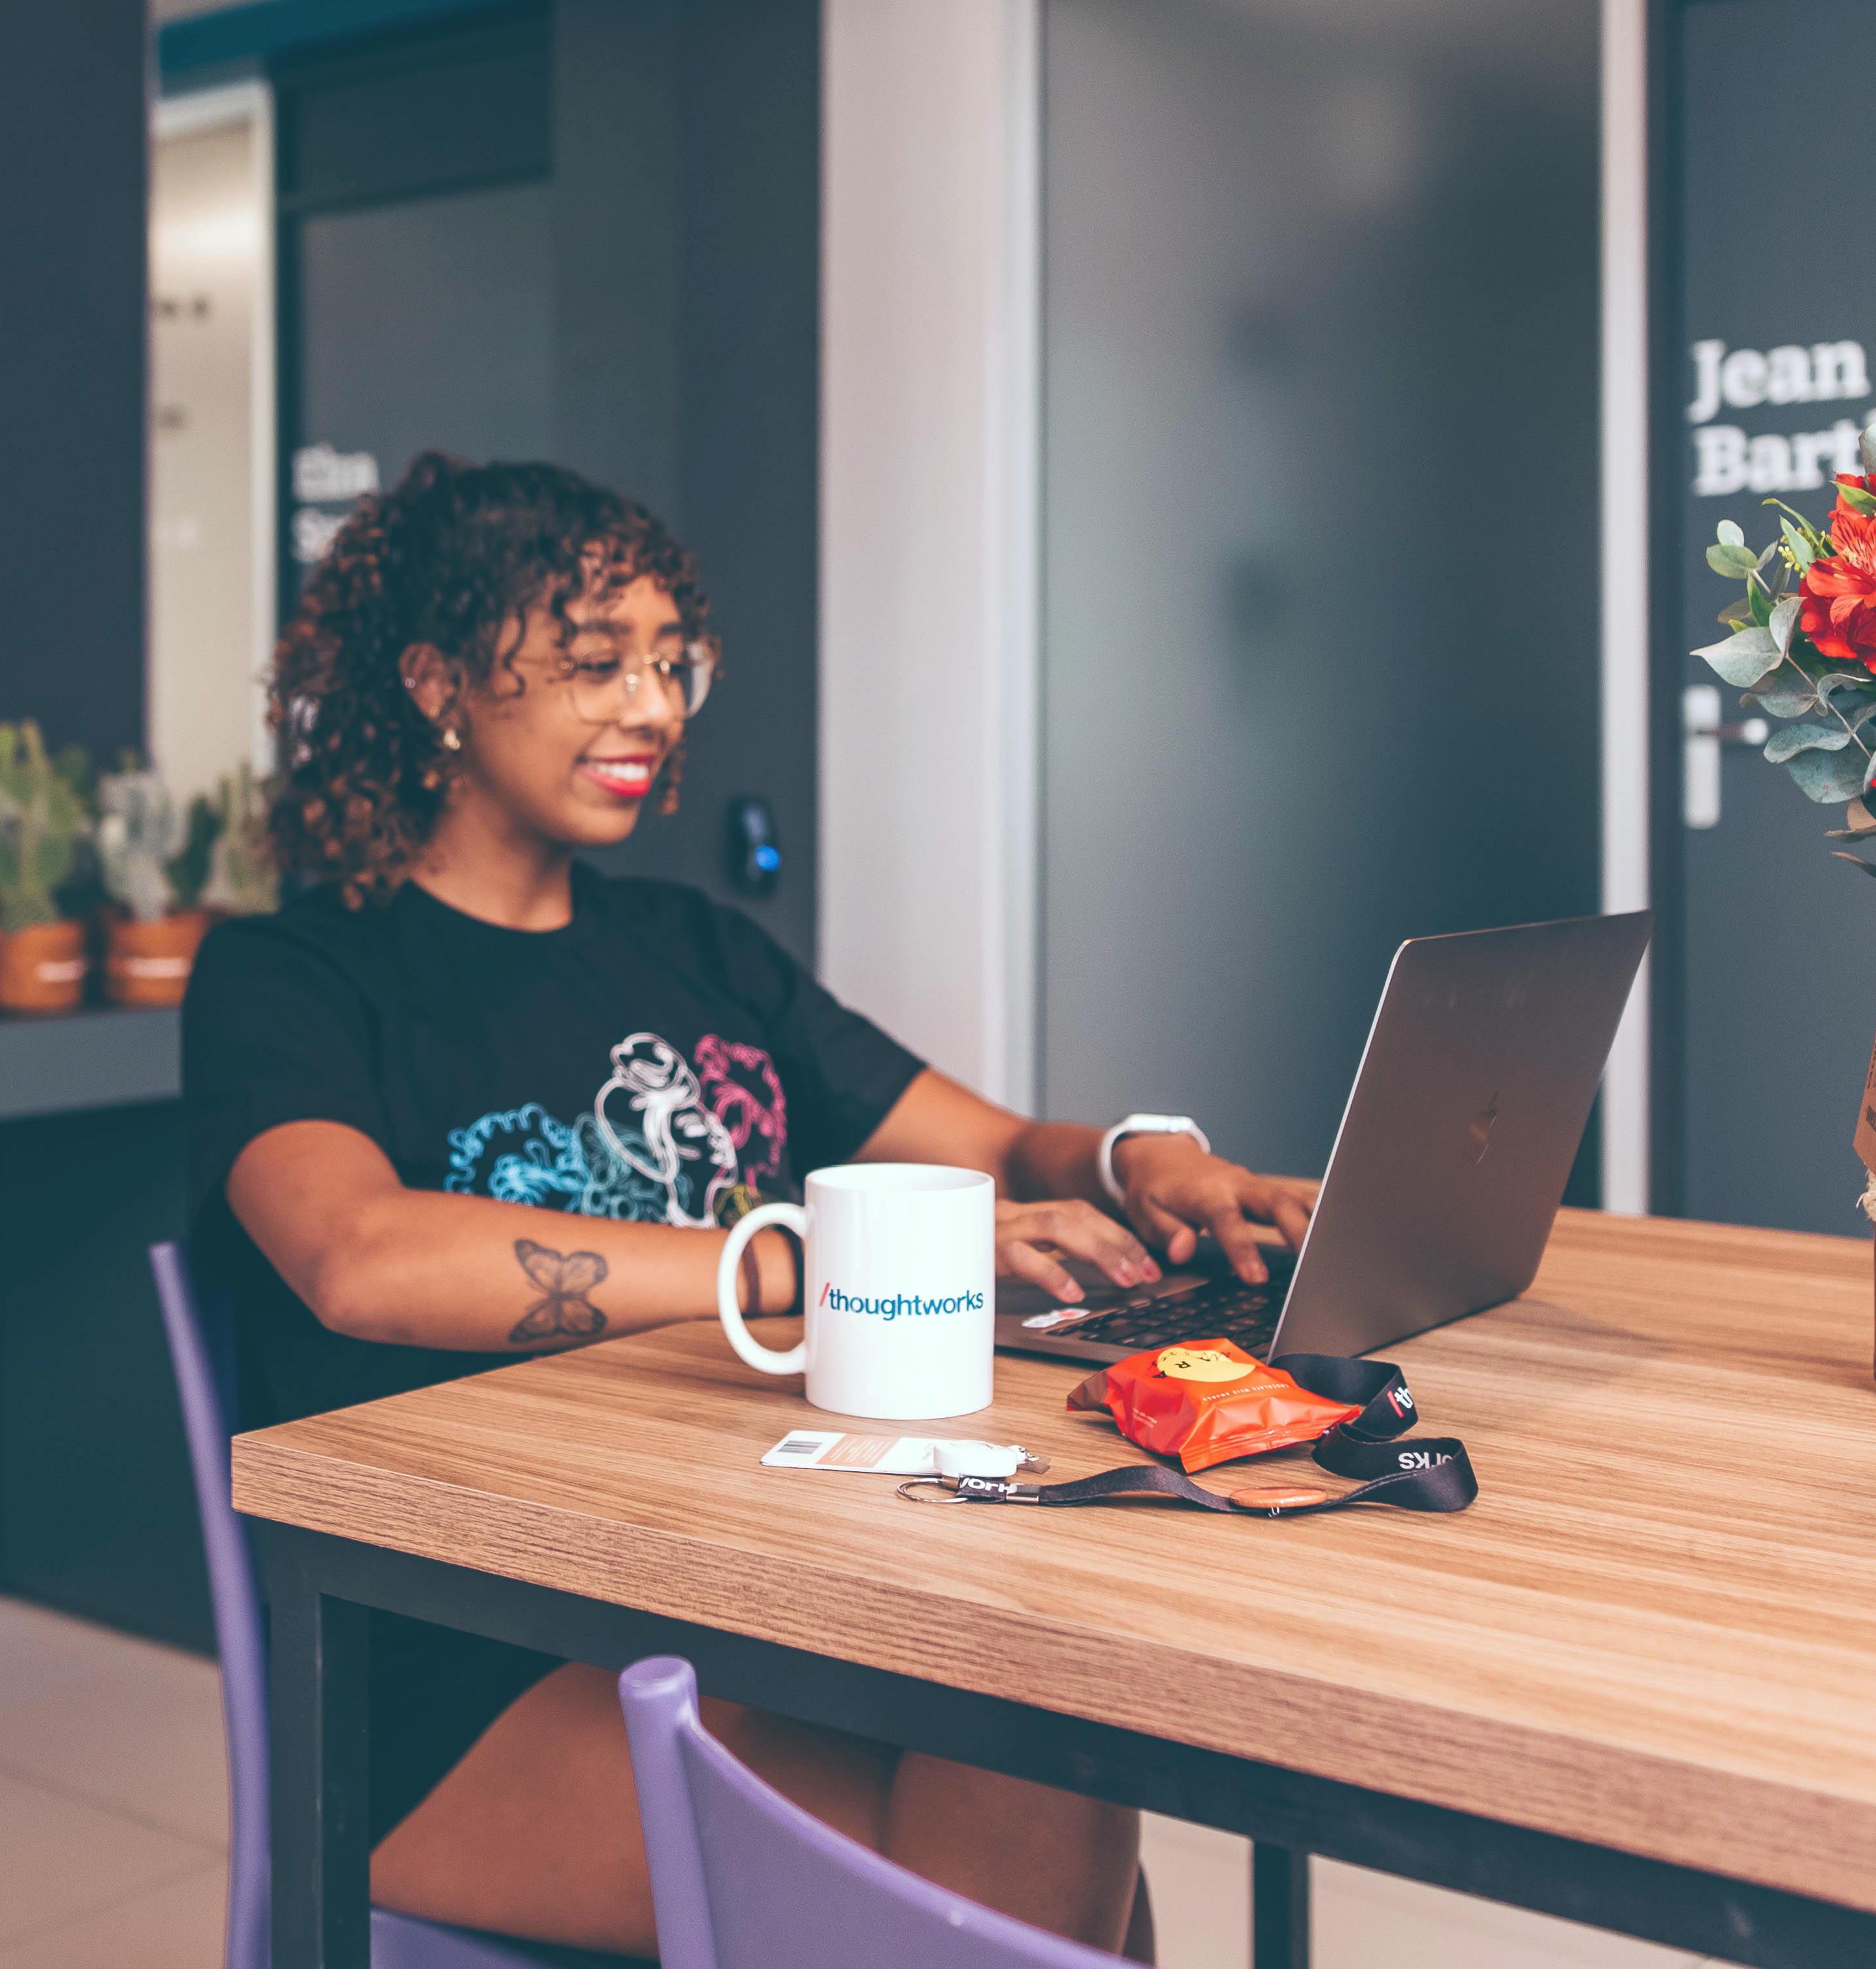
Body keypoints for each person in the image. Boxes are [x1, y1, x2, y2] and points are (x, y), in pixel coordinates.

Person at [184, 456, 1307, 1959]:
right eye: (595, 662)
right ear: (438, 681)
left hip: (742, 1573)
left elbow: (993, 1144)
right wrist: (803, 1263)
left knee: (1057, 1726)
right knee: (1012, 1861)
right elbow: (358, 1261)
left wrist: (1141, 1159)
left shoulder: (697, 948)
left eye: (670, 663)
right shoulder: (295, 974)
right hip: (460, 1656)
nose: (652, 708)